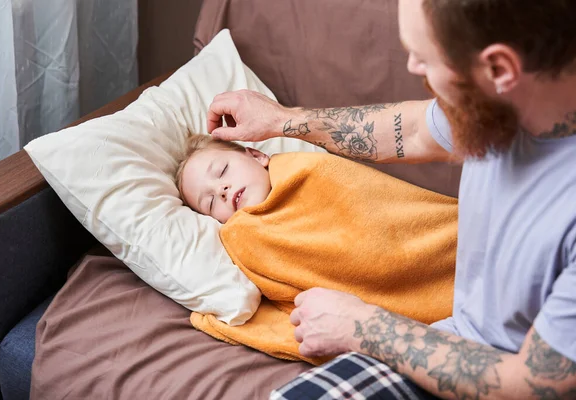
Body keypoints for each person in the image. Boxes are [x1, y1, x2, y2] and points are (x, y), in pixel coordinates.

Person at [204, 0, 576, 398]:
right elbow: (414, 129)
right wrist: (281, 120)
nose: (414, 68)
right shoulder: (499, 106)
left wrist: (363, 326)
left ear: (499, 68)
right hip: (455, 345)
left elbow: (534, 386)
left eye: (424, 58)